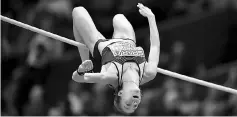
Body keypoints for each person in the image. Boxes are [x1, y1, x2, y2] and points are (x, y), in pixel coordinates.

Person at [72, 3, 160, 114]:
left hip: (101, 45)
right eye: (135, 106)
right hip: (126, 39)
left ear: (121, 94)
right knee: (119, 17)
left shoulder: (110, 76)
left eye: (127, 104)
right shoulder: (149, 73)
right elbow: (155, 46)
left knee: (77, 11)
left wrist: (81, 70)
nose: (134, 103)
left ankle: (85, 61)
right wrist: (151, 18)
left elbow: (77, 78)